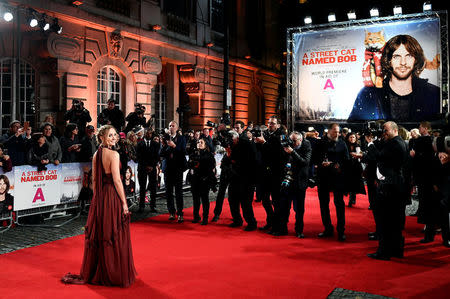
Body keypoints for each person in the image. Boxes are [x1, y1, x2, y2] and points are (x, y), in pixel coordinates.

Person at [62, 125, 136, 287]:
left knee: (103, 231)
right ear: (101, 137)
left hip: (100, 197)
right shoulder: (114, 155)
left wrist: (97, 200)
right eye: (110, 135)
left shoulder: (96, 154)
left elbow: (94, 181)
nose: (114, 137)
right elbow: (117, 180)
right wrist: (124, 203)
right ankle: (113, 271)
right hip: (111, 195)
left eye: (115, 135)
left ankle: (101, 270)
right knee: (112, 232)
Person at [348, 35, 440, 122]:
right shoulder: (368, 94)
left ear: (415, 60)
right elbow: (354, 128)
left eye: (409, 56)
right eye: (396, 57)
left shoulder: (432, 93)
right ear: (388, 60)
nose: (403, 62)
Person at [366, 121, 408, 260]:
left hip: (391, 186)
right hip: (395, 184)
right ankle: (396, 250)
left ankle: (384, 252)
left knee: (386, 221)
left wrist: (370, 144)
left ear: (395, 130)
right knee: (394, 222)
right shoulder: (397, 142)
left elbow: (379, 156)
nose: (383, 133)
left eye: (385, 130)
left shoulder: (395, 144)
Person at [315, 123, 350, 241]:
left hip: (338, 177)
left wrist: (339, 165)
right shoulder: (320, 143)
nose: (337, 133)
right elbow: (314, 158)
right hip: (323, 177)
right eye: (335, 131)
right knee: (323, 204)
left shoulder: (342, 143)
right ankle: (328, 228)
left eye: (338, 131)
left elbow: (347, 159)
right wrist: (320, 163)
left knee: (339, 204)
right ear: (329, 131)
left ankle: (341, 231)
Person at [279, 131, 312, 237]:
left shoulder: (307, 146)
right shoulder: (286, 146)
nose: (291, 143)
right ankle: (283, 229)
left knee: (299, 209)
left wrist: (292, 152)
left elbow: (304, 162)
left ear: (300, 140)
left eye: (294, 141)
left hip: (299, 182)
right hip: (287, 180)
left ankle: (299, 230)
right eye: (290, 140)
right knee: (284, 207)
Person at [227, 130, 258, 231]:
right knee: (232, 200)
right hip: (235, 177)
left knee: (245, 202)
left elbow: (248, 160)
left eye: (231, 140)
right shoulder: (233, 145)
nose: (230, 142)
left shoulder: (246, 145)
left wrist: (232, 159)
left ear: (236, 138)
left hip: (247, 178)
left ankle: (251, 223)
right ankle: (237, 220)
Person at [160, 121, 187, 222]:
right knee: (169, 192)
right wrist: (165, 145)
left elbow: (183, 152)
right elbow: (161, 153)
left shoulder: (181, 138)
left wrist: (174, 146)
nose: (171, 127)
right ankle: (171, 212)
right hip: (168, 169)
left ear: (177, 128)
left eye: (173, 126)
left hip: (178, 168)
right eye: (169, 126)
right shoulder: (165, 139)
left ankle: (180, 213)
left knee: (178, 192)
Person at [188, 137, 216, 225]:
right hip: (195, 180)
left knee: (204, 199)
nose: (199, 144)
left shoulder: (209, 155)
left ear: (205, 145)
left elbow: (211, 167)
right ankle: (196, 216)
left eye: (201, 142)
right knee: (195, 199)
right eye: (198, 142)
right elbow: (189, 165)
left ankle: (205, 218)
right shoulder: (194, 154)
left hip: (204, 180)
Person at [136, 129, 160, 213]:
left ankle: (153, 206)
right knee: (142, 187)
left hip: (152, 168)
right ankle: (141, 206)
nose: (149, 134)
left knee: (153, 188)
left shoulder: (156, 144)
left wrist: (152, 166)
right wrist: (146, 166)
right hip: (142, 168)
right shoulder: (139, 144)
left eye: (150, 133)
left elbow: (157, 156)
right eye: (147, 133)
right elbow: (139, 157)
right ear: (144, 133)